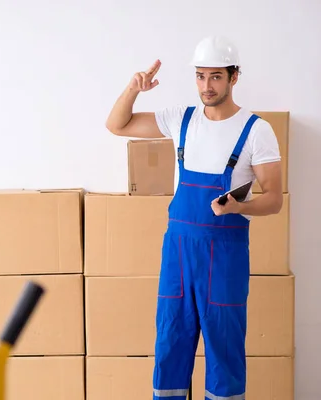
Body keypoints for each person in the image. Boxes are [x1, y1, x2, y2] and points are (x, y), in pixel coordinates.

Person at [106, 36, 283, 400]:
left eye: (216, 77)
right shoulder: (180, 119)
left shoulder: (256, 131)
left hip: (225, 254)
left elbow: (275, 200)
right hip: (179, 252)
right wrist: (132, 88)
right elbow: (117, 125)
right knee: (171, 338)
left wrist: (239, 208)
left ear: (234, 78)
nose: (207, 86)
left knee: (223, 344)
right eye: (201, 76)